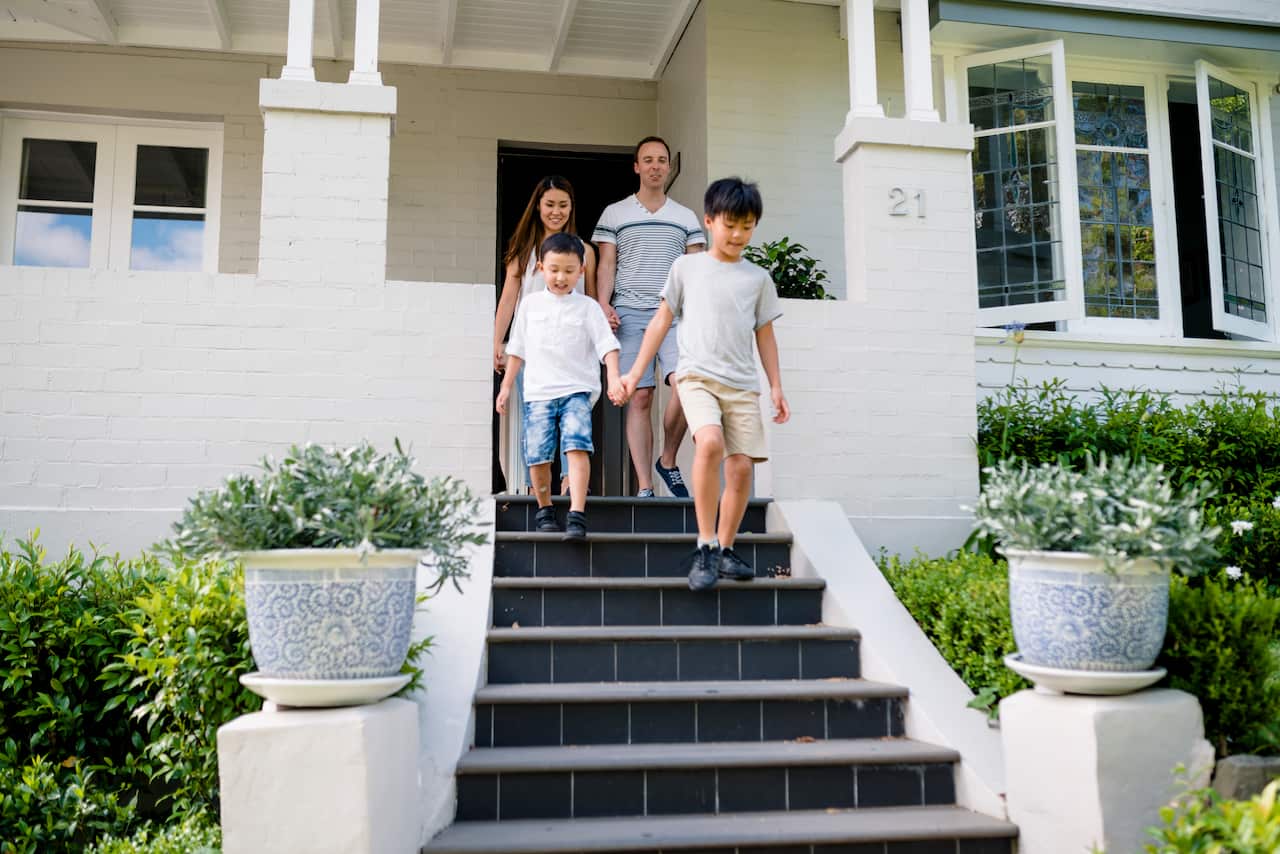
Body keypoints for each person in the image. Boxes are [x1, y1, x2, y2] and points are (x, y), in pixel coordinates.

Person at [618, 177, 790, 591]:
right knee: (709, 443)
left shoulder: (758, 279)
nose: (738, 234)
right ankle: (705, 543)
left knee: (741, 467)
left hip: (742, 385)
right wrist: (633, 371)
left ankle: (725, 549)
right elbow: (661, 321)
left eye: (747, 226)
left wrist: (776, 386)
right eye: (730, 224)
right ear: (710, 221)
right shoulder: (686, 267)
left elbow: (764, 335)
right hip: (696, 377)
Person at [593, 136, 705, 498]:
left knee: (688, 386)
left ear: (669, 167)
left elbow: (697, 271)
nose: (655, 166)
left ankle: (668, 461)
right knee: (639, 398)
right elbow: (607, 263)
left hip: (675, 316)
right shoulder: (615, 213)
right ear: (636, 167)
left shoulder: (685, 217)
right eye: (648, 160)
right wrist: (602, 303)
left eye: (661, 160)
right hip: (629, 314)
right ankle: (645, 487)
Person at [497, 233, 622, 540]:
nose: (561, 277)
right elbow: (517, 349)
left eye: (569, 271)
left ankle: (577, 514)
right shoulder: (530, 305)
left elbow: (608, 345)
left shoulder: (588, 308)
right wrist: (506, 386)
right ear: (541, 268)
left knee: (577, 446)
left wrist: (615, 377)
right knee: (538, 455)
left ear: (581, 271)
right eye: (554, 270)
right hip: (539, 392)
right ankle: (545, 509)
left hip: (577, 390)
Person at [494, 175, 595, 494]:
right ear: (537, 206)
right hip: (532, 350)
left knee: (573, 419)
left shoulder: (585, 251)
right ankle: (533, 488)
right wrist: (497, 341)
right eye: (550, 204)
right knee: (533, 420)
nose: (556, 211)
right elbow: (510, 297)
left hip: (572, 352)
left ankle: (569, 483)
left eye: (563, 205)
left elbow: (589, 300)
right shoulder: (524, 249)